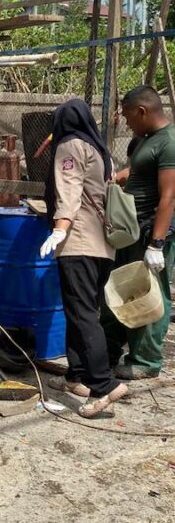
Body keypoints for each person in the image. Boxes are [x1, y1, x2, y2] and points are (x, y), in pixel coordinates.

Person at [40, 98, 128, 418]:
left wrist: (59, 230)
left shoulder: (69, 146)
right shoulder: (100, 151)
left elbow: (69, 190)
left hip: (78, 242)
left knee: (82, 314)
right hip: (103, 247)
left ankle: (105, 383)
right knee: (82, 310)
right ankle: (77, 375)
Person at [102, 85, 175, 380]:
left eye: (128, 114)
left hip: (151, 233)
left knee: (149, 295)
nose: (126, 120)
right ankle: (108, 348)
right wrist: (122, 175)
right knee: (119, 289)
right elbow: (142, 169)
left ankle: (146, 361)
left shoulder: (169, 143)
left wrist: (156, 244)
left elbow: (169, 196)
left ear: (142, 111)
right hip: (133, 230)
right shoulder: (147, 139)